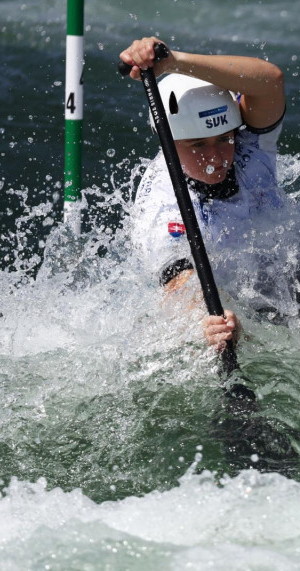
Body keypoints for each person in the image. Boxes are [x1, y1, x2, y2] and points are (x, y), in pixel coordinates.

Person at [120, 37, 287, 352]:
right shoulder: (163, 206)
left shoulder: (248, 140)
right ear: (168, 141)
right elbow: (178, 286)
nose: (217, 158)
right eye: (198, 145)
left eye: (224, 139)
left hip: (290, 277)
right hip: (244, 306)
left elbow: (270, 82)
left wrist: (174, 62)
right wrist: (208, 320)